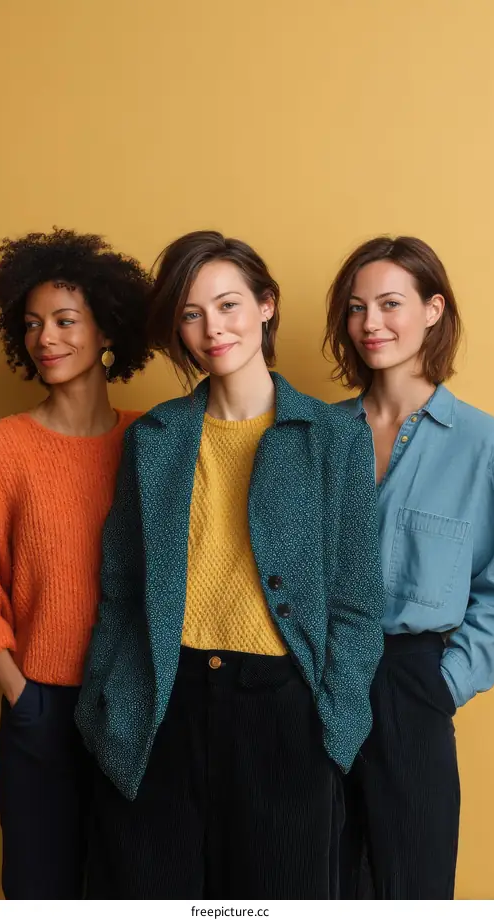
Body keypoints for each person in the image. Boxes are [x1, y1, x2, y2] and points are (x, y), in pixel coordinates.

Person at [75, 229, 385, 899]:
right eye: (191, 314)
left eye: (228, 305)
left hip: (285, 710)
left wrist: (335, 722)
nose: (212, 329)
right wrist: (107, 702)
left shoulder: (332, 438)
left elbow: (357, 601)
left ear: (266, 306)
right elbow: (122, 587)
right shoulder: (154, 439)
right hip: (164, 701)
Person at [0, 228, 153, 899]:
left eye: (65, 321)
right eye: (32, 325)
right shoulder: (0, 449)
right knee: (41, 892)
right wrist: (22, 696)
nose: (47, 339)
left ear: (106, 332)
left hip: (138, 704)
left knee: (134, 888)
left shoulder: (152, 441)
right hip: (41, 710)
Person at [324, 235, 494, 899]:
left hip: (411, 681)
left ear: (433, 309)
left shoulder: (483, 445)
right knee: (314, 881)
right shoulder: (316, 435)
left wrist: (438, 689)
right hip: (314, 680)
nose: (371, 324)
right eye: (357, 308)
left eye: (390, 304)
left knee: (413, 889)